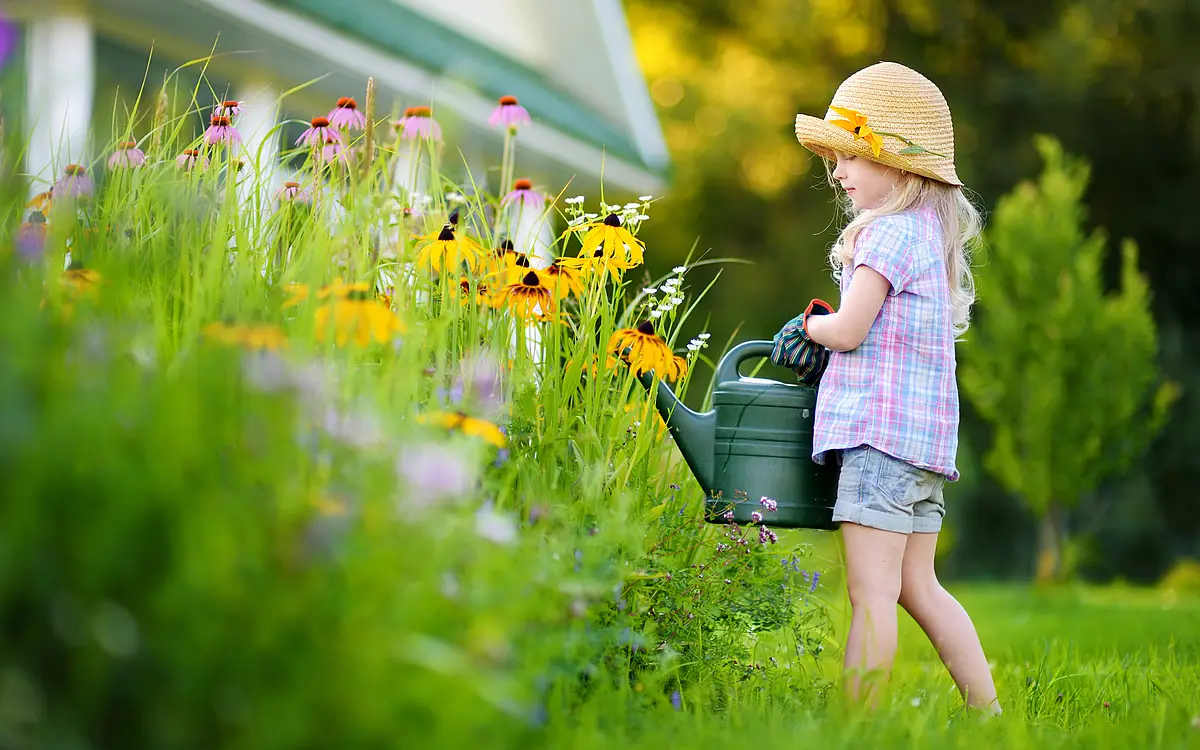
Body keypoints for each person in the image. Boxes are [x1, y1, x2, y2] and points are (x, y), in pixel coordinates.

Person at [781, 61, 1001, 714]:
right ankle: (987, 713)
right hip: (923, 448)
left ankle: (860, 725)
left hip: (878, 443)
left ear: (899, 164)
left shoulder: (884, 235)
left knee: (870, 594)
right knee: (919, 586)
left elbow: (848, 330)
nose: (839, 174)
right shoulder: (925, 237)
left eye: (851, 157)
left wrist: (807, 327)